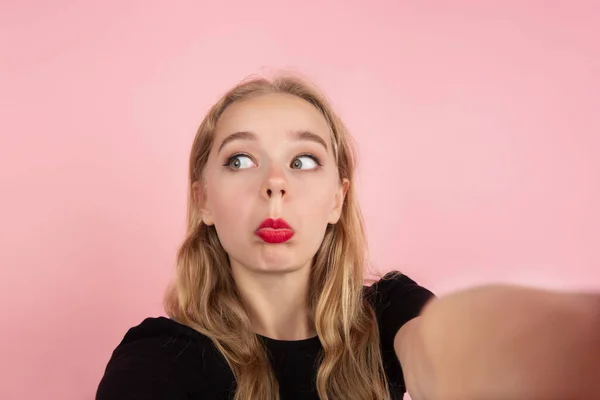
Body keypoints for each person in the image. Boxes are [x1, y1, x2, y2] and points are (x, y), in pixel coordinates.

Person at [96, 73, 600, 400]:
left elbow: (443, 351)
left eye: (304, 160)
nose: (275, 182)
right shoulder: (162, 356)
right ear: (204, 199)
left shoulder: (389, 314)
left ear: (337, 199)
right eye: (241, 160)